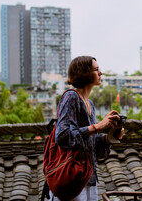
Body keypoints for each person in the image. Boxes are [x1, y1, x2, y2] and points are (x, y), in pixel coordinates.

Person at [49, 55, 124, 201]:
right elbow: (62, 136)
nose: (100, 73)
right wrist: (97, 127)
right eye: (96, 69)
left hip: (87, 178)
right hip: (72, 178)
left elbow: (90, 146)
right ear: (84, 73)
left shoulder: (90, 104)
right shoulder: (71, 97)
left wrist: (109, 137)